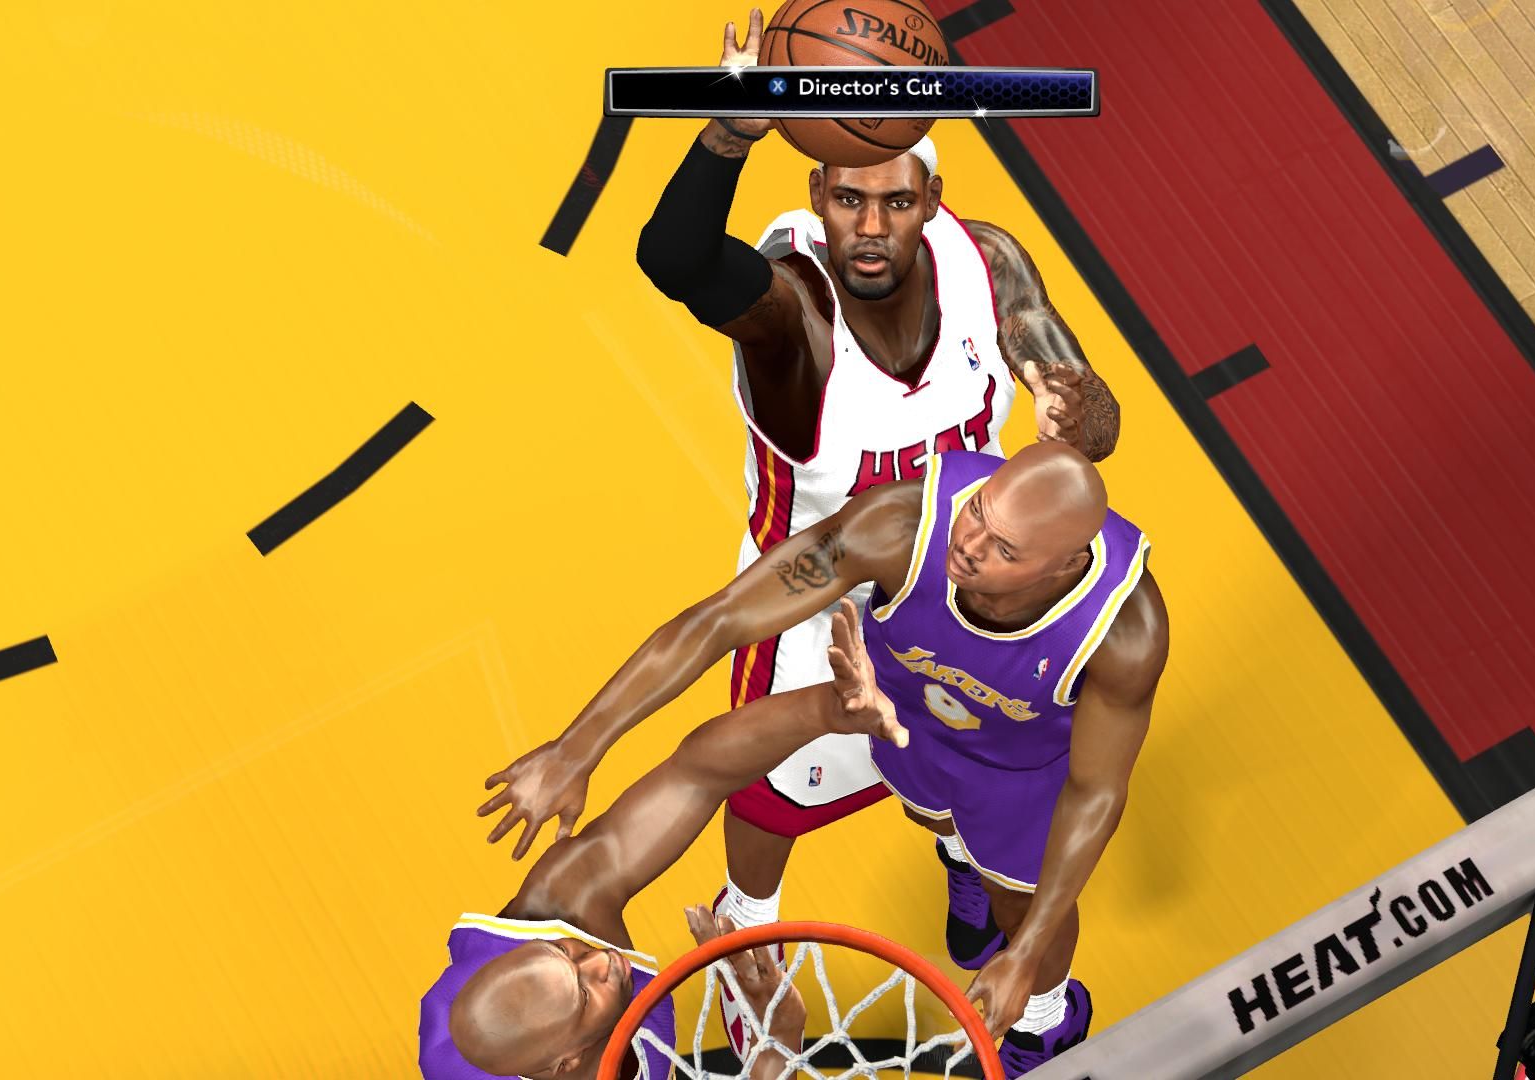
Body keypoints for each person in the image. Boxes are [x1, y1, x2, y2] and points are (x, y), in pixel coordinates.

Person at [626, 6, 1125, 1011]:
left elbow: (1091, 419)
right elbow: (675, 259)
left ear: (930, 200)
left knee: (971, 767)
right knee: (766, 793)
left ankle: (961, 857)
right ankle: (748, 933)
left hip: (963, 584)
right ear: (818, 194)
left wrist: (1086, 413)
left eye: (895, 201)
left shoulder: (989, 262)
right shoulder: (790, 311)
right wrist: (729, 131)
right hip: (818, 599)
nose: (868, 225)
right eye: (849, 199)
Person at [481, 443, 1169, 1076]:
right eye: (977, 512)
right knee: (934, 816)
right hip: (905, 716)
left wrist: (1026, 955)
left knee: (1022, 904)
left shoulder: (1122, 631)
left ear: (1063, 566)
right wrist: (578, 748)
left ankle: (1046, 1022)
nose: (968, 544)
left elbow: (1095, 791)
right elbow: (722, 618)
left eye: (1004, 549)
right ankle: (960, 857)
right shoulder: (900, 526)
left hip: (1016, 766)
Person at [424, 601, 909, 1079]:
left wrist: (827, 708)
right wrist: (779, 1039)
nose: (600, 959)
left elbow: (696, 774)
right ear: (565, 1064)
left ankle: (747, 911)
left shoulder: (560, 914)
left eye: (567, 954)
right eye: (585, 992)